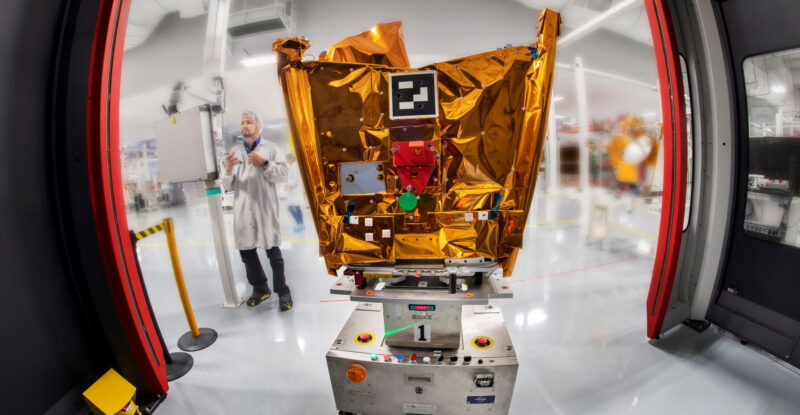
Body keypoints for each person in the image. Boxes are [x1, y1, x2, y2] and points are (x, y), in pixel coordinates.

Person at [221, 111, 293, 310]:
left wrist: (265, 162)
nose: (244, 125)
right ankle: (260, 289)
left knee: (274, 253)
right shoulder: (235, 152)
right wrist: (227, 170)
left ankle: (283, 292)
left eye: (249, 122)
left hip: (265, 210)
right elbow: (228, 185)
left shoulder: (270, 149)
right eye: (242, 122)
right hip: (243, 211)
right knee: (248, 254)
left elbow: (281, 175)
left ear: (258, 126)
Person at [284, 153, 305, 232]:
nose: (286, 161)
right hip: (294, 191)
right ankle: (301, 224)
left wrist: (287, 185)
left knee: (290, 208)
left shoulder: (294, 167)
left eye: (286, 159)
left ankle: (299, 223)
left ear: (291, 159)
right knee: (296, 207)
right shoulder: (293, 166)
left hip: (295, 191)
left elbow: (296, 180)